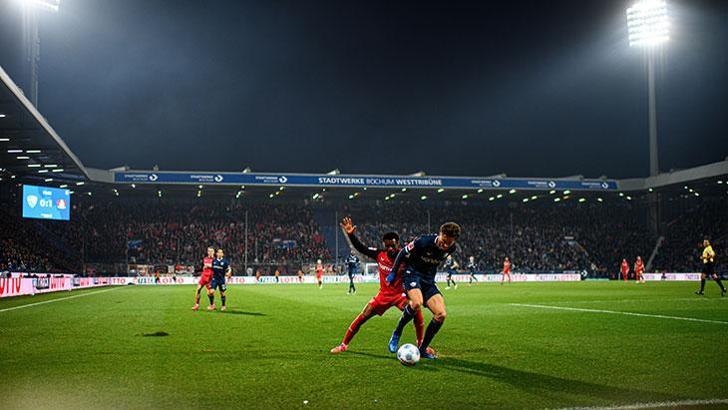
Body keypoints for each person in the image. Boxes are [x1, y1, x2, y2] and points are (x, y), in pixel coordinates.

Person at [331, 217, 431, 355]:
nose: (390, 248)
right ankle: (343, 345)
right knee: (363, 316)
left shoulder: (406, 257)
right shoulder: (379, 255)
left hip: (400, 295)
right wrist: (351, 235)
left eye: (393, 246)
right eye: (387, 246)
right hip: (383, 295)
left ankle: (421, 345)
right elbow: (362, 248)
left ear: (398, 245)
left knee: (416, 310)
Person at [386, 222, 461, 359]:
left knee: (441, 314)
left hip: (428, 280)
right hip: (412, 274)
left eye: (448, 244)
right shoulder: (423, 241)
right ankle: (397, 332)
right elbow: (403, 252)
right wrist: (393, 272)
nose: (445, 246)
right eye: (444, 241)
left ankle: (423, 349)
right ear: (441, 234)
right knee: (416, 303)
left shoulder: (452, 248)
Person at [192, 247, 215, 311]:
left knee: (209, 293)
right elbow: (202, 267)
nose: (210, 252)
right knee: (198, 289)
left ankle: (212, 305)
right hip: (204, 276)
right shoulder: (205, 259)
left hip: (210, 278)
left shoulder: (215, 260)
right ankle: (196, 305)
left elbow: (216, 268)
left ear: (213, 252)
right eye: (209, 251)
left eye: (211, 251)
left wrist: (209, 266)